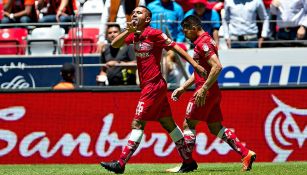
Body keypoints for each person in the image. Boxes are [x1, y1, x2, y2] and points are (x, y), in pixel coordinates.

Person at [100, 6, 206, 174]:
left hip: (153, 86)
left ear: (147, 19)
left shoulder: (154, 33)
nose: (134, 14)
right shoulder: (134, 34)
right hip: (149, 86)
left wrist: (195, 65)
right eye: (133, 12)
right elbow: (114, 44)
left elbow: (175, 47)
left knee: (137, 123)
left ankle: (120, 163)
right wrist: (128, 30)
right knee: (168, 124)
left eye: (139, 12)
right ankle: (188, 161)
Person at [168, 15, 256, 172]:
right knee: (215, 128)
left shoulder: (204, 43)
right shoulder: (205, 41)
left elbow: (217, 67)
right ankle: (245, 153)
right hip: (212, 91)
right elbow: (202, 72)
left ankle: (186, 163)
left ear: (194, 28)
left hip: (205, 92)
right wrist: (183, 87)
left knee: (188, 124)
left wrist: (203, 88)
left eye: (186, 31)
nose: (185, 34)